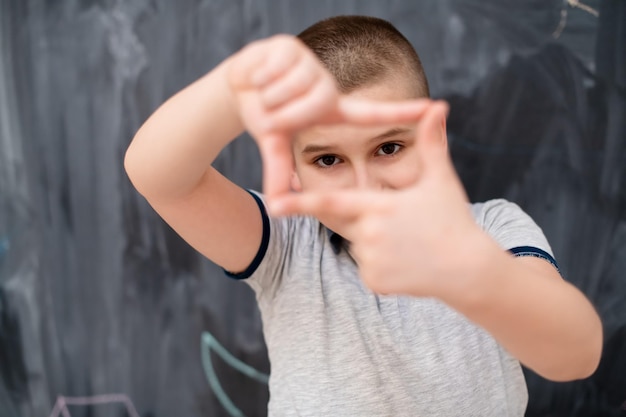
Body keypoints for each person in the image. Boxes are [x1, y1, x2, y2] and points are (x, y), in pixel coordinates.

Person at [124, 15, 603, 416]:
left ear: (434, 136)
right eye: (327, 160)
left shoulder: (493, 229)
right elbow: (157, 174)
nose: (364, 187)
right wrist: (234, 88)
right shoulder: (286, 246)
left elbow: (577, 354)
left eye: (388, 147)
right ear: (292, 170)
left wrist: (466, 274)